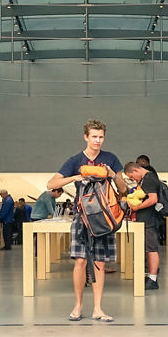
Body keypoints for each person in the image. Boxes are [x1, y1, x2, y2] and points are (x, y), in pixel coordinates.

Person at [46, 118, 127, 322]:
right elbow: (51, 183)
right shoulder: (75, 160)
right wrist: (74, 177)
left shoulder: (111, 158)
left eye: (101, 137)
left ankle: (98, 308)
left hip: (104, 218)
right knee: (80, 261)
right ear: (86, 137)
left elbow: (124, 188)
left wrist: (112, 175)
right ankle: (78, 306)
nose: (98, 141)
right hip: (82, 217)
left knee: (99, 262)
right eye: (94, 137)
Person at [123, 161, 163, 291]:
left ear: (135, 170)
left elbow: (153, 199)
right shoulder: (146, 180)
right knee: (148, 248)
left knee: (151, 249)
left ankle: (153, 278)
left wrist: (136, 207)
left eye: (131, 177)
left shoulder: (149, 179)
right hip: (146, 219)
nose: (133, 179)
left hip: (150, 220)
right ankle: (150, 275)